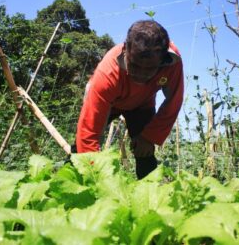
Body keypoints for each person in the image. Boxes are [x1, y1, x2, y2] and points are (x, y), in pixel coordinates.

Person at [76, 20, 184, 179]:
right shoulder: (107, 74)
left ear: (163, 60)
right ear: (125, 50)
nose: (140, 74)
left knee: (145, 153)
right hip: (110, 103)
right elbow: (88, 133)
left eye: (149, 69)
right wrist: (94, 177)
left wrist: (149, 136)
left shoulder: (172, 61)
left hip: (142, 104)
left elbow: (174, 101)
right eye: (134, 66)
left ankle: (150, 197)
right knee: (79, 154)